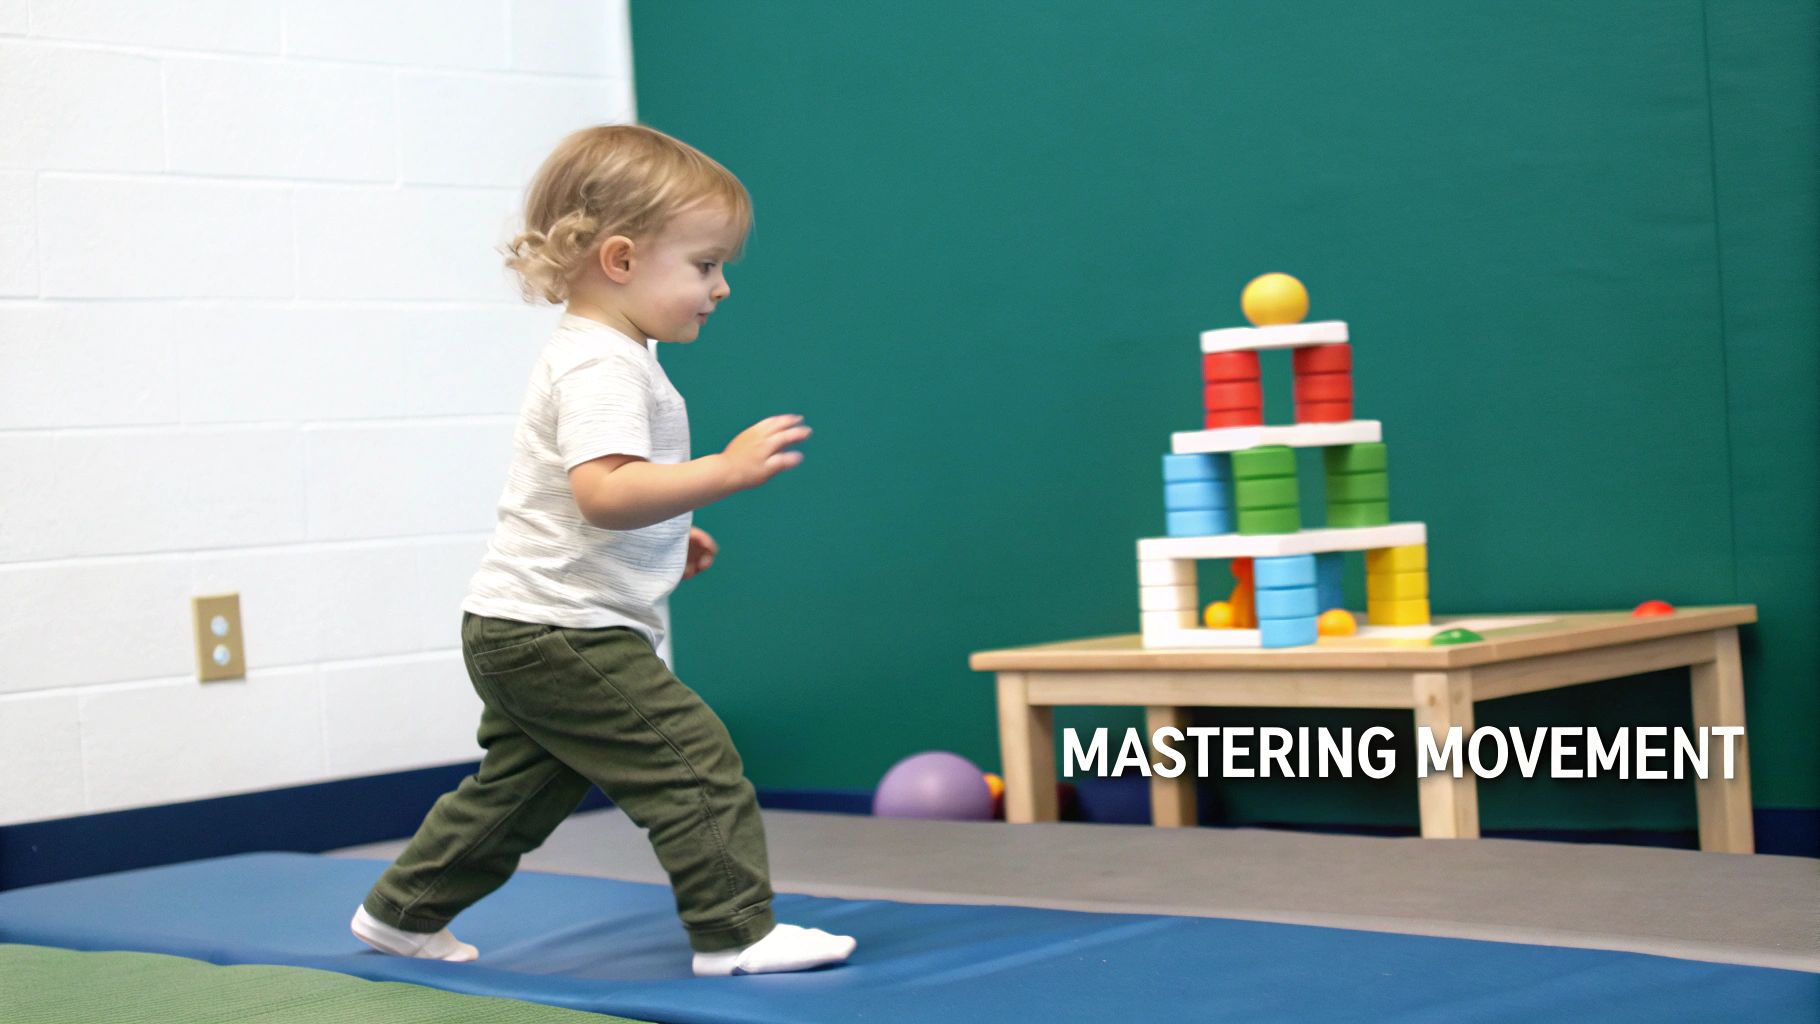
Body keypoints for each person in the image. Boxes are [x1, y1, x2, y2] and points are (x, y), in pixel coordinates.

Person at [349, 123, 856, 978]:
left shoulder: (611, 357)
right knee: (694, 762)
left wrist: (670, 528)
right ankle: (735, 933)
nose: (721, 288)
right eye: (705, 266)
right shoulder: (603, 367)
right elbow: (603, 490)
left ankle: (402, 913)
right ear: (620, 259)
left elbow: (611, 494)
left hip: (520, 625)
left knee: (519, 792)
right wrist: (720, 473)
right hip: (560, 631)